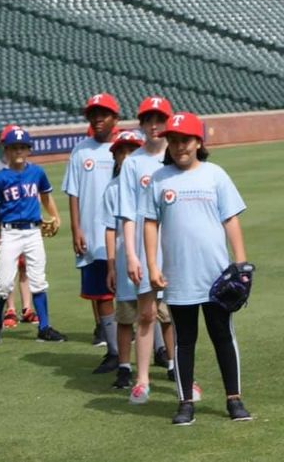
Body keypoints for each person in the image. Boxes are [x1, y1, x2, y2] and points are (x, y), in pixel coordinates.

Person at [144, 112, 252, 426]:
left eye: (185, 140)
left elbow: (230, 219)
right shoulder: (160, 179)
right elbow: (150, 224)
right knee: (184, 339)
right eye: (174, 140)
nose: (179, 147)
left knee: (222, 335)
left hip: (216, 275)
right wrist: (152, 265)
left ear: (198, 142)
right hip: (178, 275)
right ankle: (185, 402)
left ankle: (234, 398)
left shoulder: (215, 174)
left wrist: (241, 261)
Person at [118, 96, 178, 403]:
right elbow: (127, 214)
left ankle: (182, 373)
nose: (154, 126)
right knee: (146, 314)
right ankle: (142, 379)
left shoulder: (179, 156)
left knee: (179, 314)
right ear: (141, 124)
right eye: (148, 120)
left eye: (160, 119)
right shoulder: (132, 162)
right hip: (144, 247)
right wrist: (130, 253)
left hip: (177, 245)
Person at [0, 128, 66, 344]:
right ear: (7, 150)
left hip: (33, 232)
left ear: (29, 149)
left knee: (38, 281)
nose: (18, 151)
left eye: (22, 147)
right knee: (3, 283)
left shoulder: (37, 173)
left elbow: (46, 197)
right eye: (14, 147)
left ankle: (44, 327)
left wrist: (56, 217)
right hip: (10, 232)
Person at [62, 93, 120, 373]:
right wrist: (76, 228)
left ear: (115, 118)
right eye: (93, 115)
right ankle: (114, 352)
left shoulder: (127, 148)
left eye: (103, 114)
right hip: (93, 236)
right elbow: (73, 192)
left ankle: (159, 349)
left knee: (143, 294)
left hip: (124, 236)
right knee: (102, 295)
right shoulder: (80, 151)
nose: (97, 119)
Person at [0, 124, 38, 329]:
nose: (16, 148)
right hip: (6, 227)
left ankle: (27, 308)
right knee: (9, 270)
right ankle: (10, 309)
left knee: (26, 269)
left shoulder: (27, 166)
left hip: (27, 226)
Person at [103, 130, 144, 389]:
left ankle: (172, 363)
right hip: (122, 258)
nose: (127, 156)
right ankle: (125, 367)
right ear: (115, 156)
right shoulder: (112, 189)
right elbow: (109, 228)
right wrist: (110, 266)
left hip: (152, 257)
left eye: (132, 150)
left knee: (162, 315)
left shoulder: (151, 181)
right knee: (127, 315)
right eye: (122, 151)